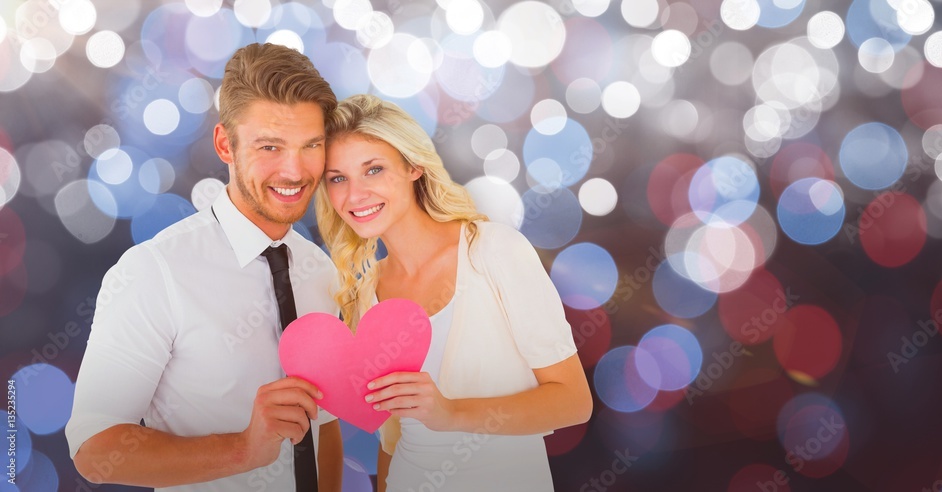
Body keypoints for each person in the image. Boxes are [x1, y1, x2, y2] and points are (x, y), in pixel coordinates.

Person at [66, 43, 344, 491]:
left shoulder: (321, 271)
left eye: (311, 145)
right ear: (224, 145)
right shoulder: (154, 271)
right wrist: (244, 449)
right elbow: (94, 449)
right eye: (270, 146)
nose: (294, 170)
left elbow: (324, 424)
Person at [315, 94, 593, 491]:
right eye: (337, 178)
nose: (354, 195)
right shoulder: (365, 294)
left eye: (373, 170)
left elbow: (573, 402)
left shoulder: (493, 251)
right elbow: (391, 435)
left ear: (413, 167)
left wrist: (451, 413)